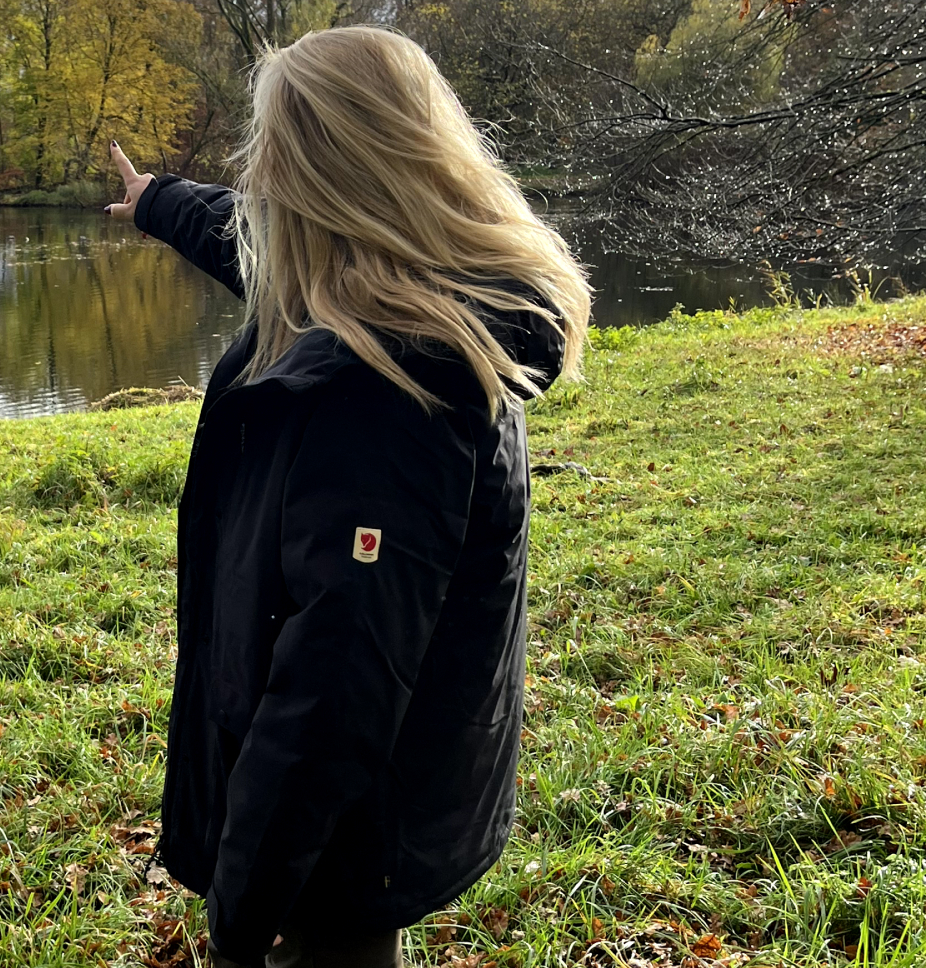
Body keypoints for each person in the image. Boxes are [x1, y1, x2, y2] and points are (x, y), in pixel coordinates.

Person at [103, 25, 592, 968]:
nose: (253, 171)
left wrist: (239, 916)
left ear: (321, 176)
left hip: (344, 837)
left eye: (270, 150)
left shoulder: (385, 390)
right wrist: (160, 203)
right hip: (367, 818)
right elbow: (256, 245)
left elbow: (336, 695)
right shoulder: (411, 291)